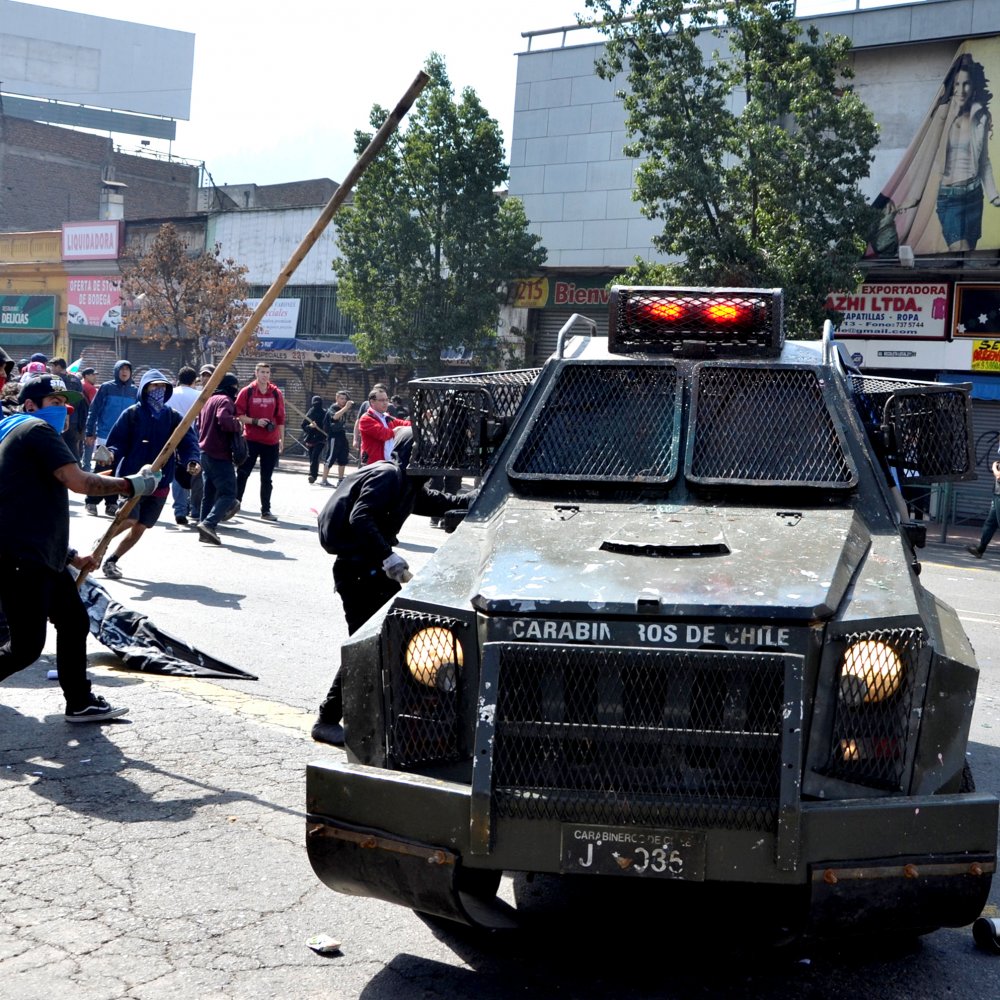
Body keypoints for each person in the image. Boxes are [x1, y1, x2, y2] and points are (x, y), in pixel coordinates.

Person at [0, 374, 161, 722]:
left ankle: (80, 701)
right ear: (31, 404)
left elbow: (26, 505)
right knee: (25, 648)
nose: (64, 411)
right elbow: (78, 482)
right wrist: (130, 484)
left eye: (66, 405)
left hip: (38, 555)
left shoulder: (11, 430)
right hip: (22, 558)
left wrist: (71, 556)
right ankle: (79, 700)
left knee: (74, 622)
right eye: (55, 403)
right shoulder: (36, 430)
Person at [311, 427, 474, 745]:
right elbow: (361, 518)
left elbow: (443, 503)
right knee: (370, 645)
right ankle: (327, 719)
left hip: (371, 572)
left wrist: (484, 494)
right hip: (359, 572)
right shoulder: (388, 476)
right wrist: (387, 556)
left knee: (395, 640)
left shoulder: (408, 486)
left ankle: (387, 715)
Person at [874, 51, 999, 255]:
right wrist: (911, 198)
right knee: (960, 250)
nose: (960, 90)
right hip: (950, 199)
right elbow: (927, 158)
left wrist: (993, 195)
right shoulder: (942, 116)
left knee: (967, 259)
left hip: (975, 197)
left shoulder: (981, 116)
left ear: (974, 86)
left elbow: (983, 160)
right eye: (956, 84)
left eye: (966, 84)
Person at [99, 370, 200, 580]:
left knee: (141, 526)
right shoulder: (132, 414)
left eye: (162, 387)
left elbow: (188, 442)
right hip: (133, 478)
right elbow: (117, 443)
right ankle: (102, 542)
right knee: (128, 519)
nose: (158, 391)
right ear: (144, 389)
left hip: (161, 481)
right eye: (154, 386)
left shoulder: (173, 417)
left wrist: (192, 460)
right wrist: (109, 455)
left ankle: (112, 560)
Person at [84, 360, 137, 515]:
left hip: (125, 439)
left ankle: (111, 503)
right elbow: (93, 411)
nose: (124, 372)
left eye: (127, 369)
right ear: (116, 371)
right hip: (104, 437)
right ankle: (91, 502)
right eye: (122, 369)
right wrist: (89, 432)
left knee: (117, 472)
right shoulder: (106, 388)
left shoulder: (135, 391)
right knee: (102, 469)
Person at [234, 362, 285, 521]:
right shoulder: (247, 391)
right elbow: (238, 415)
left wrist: (281, 439)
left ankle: (266, 511)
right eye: (262, 372)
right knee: (242, 474)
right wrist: (255, 421)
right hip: (250, 440)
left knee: (267, 478)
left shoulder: (276, 393)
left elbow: (281, 418)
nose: (265, 375)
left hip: (271, 441)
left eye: (267, 372)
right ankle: (234, 505)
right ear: (256, 373)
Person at [196, 373, 242, 545]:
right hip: (219, 453)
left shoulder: (209, 400)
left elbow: (199, 425)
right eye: (235, 386)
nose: (236, 390)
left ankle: (204, 529)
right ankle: (209, 523)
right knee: (229, 493)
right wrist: (238, 425)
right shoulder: (225, 400)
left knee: (209, 493)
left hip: (205, 452)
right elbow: (224, 419)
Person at [167, 366, 204, 525]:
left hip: (171, 436)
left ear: (178, 379)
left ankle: (180, 509)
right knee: (194, 471)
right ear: (194, 381)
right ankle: (193, 508)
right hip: (193, 438)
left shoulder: (170, 394)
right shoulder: (199, 396)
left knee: (177, 473)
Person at [358, 386, 410, 466]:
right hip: (372, 465)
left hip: (386, 464)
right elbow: (383, 434)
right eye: (382, 400)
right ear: (372, 402)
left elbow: (403, 423)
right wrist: (397, 430)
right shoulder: (366, 419)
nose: (386, 403)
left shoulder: (386, 416)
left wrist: (422, 420)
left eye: (387, 400)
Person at [49, 358, 88, 464]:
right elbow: (80, 400)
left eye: (52, 366)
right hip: (75, 422)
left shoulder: (55, 380)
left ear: (58, 366)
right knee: (73, 450)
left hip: (59, 420)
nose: (50, 369)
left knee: (58, 450)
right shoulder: (76, 379)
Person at [967, 451, 1000, 558]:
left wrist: (994, 467)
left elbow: (999, 476)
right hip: (997, 495)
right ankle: (980, 549)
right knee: (990, 523)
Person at [320, 390, 353, 485]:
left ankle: (340, 480)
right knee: (330, 457)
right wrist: (346, 407)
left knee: (343, 458)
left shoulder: (343, 409)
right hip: (334, 436)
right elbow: (334, 417)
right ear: (337, 398)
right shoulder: (333, 408)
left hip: (342, 435)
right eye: (341, 398)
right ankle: (324, 480)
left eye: (345, 399)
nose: (344, 400)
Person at [352, 382, 387, 463]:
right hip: (367, 442)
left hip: (382, 441)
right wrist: (355, 439)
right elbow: (358, 421)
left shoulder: (389, 406)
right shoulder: (365, 404)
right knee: (365, 465)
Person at [301, 395, 328, 484]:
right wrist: (310, 426)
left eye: (318, 403)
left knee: (315, 456)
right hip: (310, 439)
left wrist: (321, 428)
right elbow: (303, 425)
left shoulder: (324, 413)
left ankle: (312, 475)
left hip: (320, 438)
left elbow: (327, 425)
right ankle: (312, 474)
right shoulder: (310, 412)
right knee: (312, 458)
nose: (317, 405)